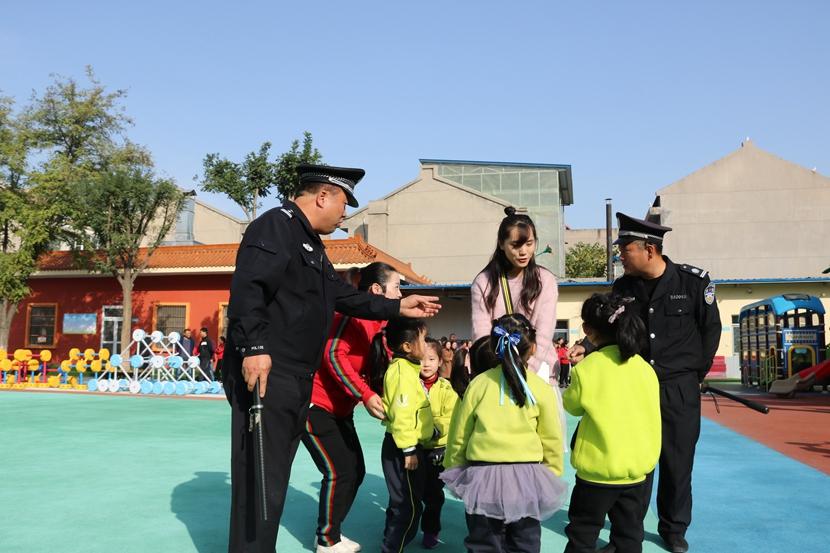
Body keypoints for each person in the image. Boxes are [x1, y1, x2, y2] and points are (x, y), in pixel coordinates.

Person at [224, 163, 440, 553]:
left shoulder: (309, 242)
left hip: (294, 378)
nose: (344, 214)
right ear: (323, 196)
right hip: (268, 373)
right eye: (343, 203)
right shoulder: (276, 226)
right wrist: (255, 348)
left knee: (273, 481)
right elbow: (248, 288)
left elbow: (344, 297)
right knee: (261, 479)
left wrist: (398, 307)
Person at [611, 213, 720, 553]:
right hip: (636, 389)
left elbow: (711, 331)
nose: (620, 256)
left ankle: (673, 529)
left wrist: (691, 376)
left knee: (677, 462)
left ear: (649, 249)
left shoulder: (693, 283)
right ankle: (627, 533)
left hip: (679, 388)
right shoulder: (622, 288)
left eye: (624, 249)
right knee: (633, 464)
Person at [442, 313, 567, 553]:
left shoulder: (478, 384)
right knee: (525, 541)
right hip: (528, 479)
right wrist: (551, 474)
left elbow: (459, 434)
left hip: (483, 476)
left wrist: (454, 468)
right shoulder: (541, 388)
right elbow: (552, 438)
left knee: (484, 542)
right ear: (531, 348)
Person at [302, 262, 402, 553]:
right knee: (340, 471)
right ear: (376, 290)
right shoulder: (353, 314)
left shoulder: (379, 325)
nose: (400, 295)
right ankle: (326, 541)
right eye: (396, 287)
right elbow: (332, 355)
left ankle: (330, 531)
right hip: (315, 406)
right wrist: (366, 394)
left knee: (355, 470)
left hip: (341, 410)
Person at [562, 293, 661, 553]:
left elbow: (571, 406)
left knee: (582, 534)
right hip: (636, 471)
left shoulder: (588, 368)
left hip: (596, 472)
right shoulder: (645, 368)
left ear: (587, 330)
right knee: (629, 535)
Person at [471, 206, 558, 384]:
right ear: (502, 244)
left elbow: (544, 332)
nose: (523, 251)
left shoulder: (545, 280)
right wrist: (499, 372)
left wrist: (525, 370)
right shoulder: (483, 282)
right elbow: (481, 333)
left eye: (529, 243)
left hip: (538, 371)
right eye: (515, 245)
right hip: (496, 373)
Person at [368, 317, 434, 553]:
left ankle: (393, 542)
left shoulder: (407, 370)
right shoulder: (402, 372)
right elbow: (402, 412)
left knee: (405, 501)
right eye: (423, 339)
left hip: (409, 445)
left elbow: (414, 410)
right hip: (404, 449)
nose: (426, 345)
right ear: (407, 347)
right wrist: (408, 448)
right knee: (408, 505)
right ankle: (392, 547)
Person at [419, 337, 459, 549]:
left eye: (431, 359)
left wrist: (433, 429)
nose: (425, 364)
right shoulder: (409, 384)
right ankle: (398, 528)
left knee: (434, 495)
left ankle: (430, 529)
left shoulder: (446, 388)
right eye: (421, 359)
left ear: (440, 362)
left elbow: (450, 417)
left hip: (436, 450)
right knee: (408, 494)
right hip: (412, 448)